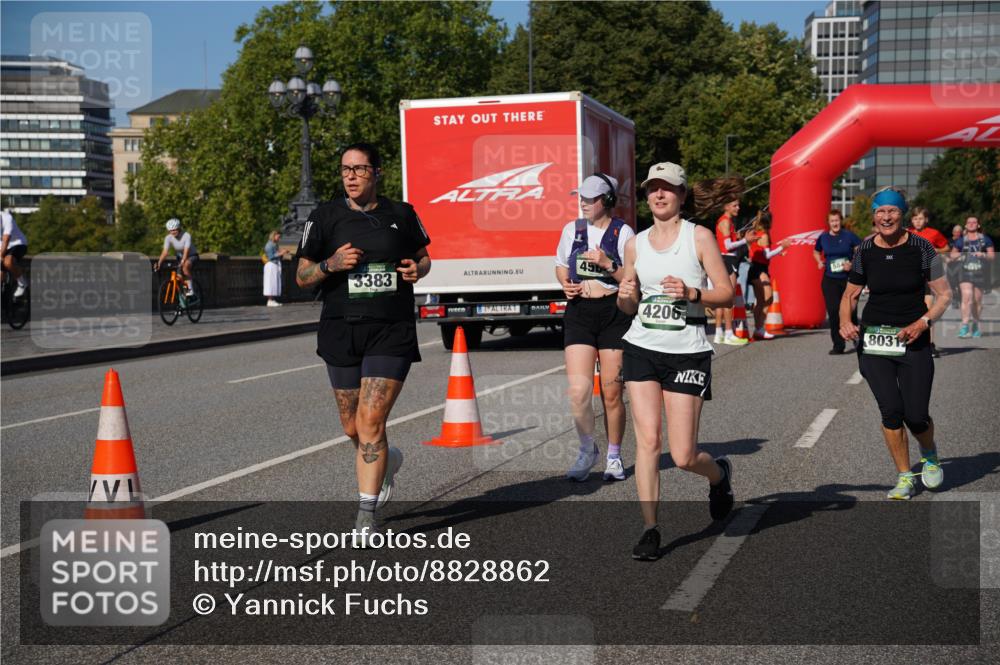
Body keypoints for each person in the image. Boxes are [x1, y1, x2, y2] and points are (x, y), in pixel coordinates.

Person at [295, 142, 430, 543]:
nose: (351, 176)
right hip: (340, 328)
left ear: (377, 173)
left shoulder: (401, 214)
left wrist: (415, 269)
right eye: (345, 170)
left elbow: (423, 258)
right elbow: (301, 276)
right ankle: (388, 461)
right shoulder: (323, 218)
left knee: (371, 421)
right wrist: (329, 265)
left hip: (391, 329)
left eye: (359, 169)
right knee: (351, 424)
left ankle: (366, 513)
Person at [617, 162, 735, 561]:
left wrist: (691, 292)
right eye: (653, 189)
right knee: (648, 442)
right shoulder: (635, 242)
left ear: (683, 196)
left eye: (668, 189)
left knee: (683, 456)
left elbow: (726, 293)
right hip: (641, 348)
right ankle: (650, 528)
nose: (660, 195)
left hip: (686, 351)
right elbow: (629, 302)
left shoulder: (698, 237)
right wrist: (625, 294)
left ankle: (718, 475)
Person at [839, 187, 951, 500]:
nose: (886, 217)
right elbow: (849, 295)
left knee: (916, 415)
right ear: (873, 216)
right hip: (875, 341)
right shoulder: (864, 249)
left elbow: (944, 295)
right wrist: (845, 321)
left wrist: (923, 323)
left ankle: (928, 453)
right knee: (891, 410)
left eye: (892, 211)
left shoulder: (922, 248)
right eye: (880, 211)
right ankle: (904, 476)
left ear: (902, 214)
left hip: (913, 338)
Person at [556, 173, 635, 482]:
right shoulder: (571, 229)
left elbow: (630, 279)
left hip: (613, 311)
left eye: (590, 198)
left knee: (612, 392)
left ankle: (614, 455)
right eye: (581, 197)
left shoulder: (623, 231)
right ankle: (587, 450)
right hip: (579, 312)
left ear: (608, 201)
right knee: (578, 391)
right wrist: (564, 283)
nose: (583, 203)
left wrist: (607, 264)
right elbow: (561, 264)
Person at [702, 183, 748, 346]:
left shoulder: (727, 221)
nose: (738, 207)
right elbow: (727, 245)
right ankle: (729, 332)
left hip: (726, 260)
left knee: (721, 299)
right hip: (727, 260)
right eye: (735, 205)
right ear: (727, 206)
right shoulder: (726, 221)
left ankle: (720, 332)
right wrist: (745, 240)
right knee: (728, 299)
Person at [813, 209, 862, 354]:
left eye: (837, 220)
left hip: (848, 279)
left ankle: (856, 339)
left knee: (851, 311)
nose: (835, 223)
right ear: (828, 223)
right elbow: (816, 251)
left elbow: (860, 251)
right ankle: (838, 345)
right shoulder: (823, 238)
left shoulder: (849, 236)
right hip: (830, 280)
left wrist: (852, 263)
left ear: (841, 221)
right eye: (832, 221)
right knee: (834, 312)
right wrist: (819, 261)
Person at [908, 208, 949, 356]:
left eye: (920, 218)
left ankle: (930, 343)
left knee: (928, 308)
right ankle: (910, 338)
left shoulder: (934, 233)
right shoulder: (908, 233)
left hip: (929, 274)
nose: (917, 221)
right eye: (915, 219)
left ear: (926, 220)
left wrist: (936, 251)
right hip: (911, 275)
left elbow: (946, 247)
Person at [745, 212, 791, 340]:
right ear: (769, 223)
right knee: (768, 297)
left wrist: (778, 252)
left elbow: (759, 252)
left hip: (757, 267)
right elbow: (767, 255)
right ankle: (759, 327)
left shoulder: (757, 233)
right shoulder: (764, 235)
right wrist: (781, 248)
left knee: (761, 300)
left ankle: (759, 328)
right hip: (759, 269)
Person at [950, 216, 995, 339]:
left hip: (980, 272)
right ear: (965, 225)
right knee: (966, 297)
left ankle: (975, 323)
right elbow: (952, 254)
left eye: (974, 222)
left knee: (977, 301)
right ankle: (964, 325)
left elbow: (992, 256)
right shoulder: (960, 241)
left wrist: (983, 255)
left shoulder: (985, 240)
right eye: (968, 222)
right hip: (964, 272)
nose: (971, 224)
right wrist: (960, 254)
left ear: (978, 225)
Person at [155, 218, 198, 296]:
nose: (173, 232)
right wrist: (159, 263)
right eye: (171, 230)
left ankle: (190, 289)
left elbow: (186, 250)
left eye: (175, 230)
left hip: (191, 255)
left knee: (185, 266)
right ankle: (183, 296)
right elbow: (165, 252)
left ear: (179, 228)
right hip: (180, 257)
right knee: (179, 277)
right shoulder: (168, 238)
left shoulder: (186, 235)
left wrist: (183, 261)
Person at [0, 206, 29, 298]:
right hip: (1, 246)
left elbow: (6, 240)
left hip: (17, 244)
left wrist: (1, 256)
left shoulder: (7, 218)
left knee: (8, 262)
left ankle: (22, 283)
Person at [263, 229, 290, 307]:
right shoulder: (269, 245)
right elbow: (271, 256)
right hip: (271, 265)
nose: (279, 238)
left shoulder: (274, 244)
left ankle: (272, 299)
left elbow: (276, 252)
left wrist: (282, 251)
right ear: (274, 236)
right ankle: (270, 300)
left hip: (275, 265)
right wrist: (282, 252)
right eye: (278, 236)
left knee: (274, 282)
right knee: (271, 283)